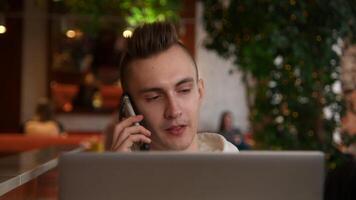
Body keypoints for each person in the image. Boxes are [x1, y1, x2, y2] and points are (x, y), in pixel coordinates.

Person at [111, 22, 238, 152]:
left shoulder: (238, 168)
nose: (174, 111)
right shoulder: (119, 171)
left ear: (199, 92)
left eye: (184, 90)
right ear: (129, 109)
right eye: (154, 97)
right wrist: (120, 170)